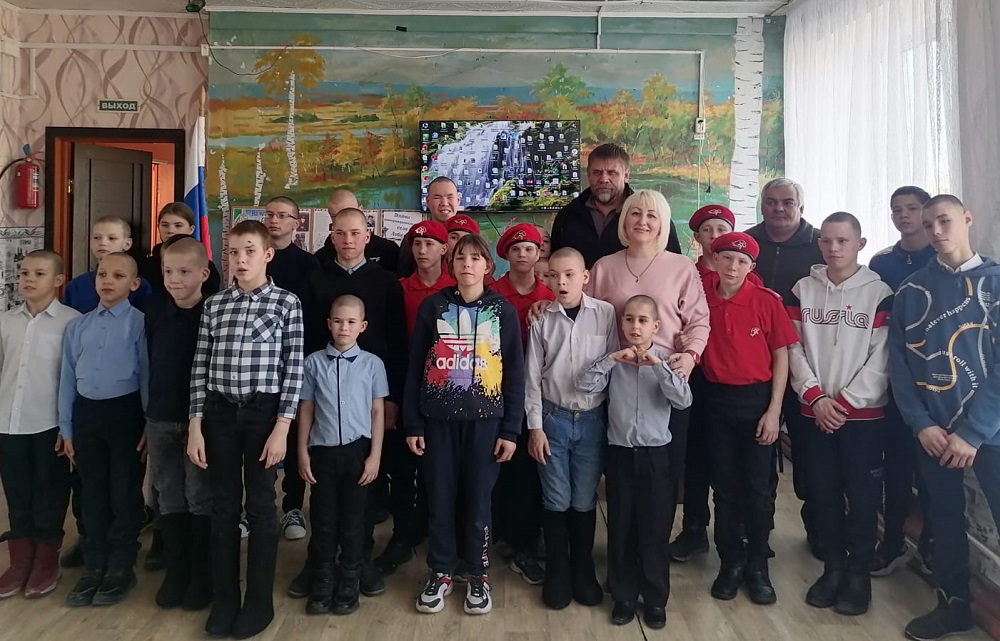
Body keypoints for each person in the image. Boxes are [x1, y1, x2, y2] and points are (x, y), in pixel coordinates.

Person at [186, 219, 304, 639]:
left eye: (250, 251)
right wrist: (196, 424)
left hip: (263, 415)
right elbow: (200, 366)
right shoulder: (215, 305)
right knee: (223, 506)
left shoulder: (287, 303)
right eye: (234, 252)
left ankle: (258, 601)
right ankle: (225, 599)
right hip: (218, 413)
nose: (241, 259)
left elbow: (293, 369)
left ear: (267, 254)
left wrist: (282, 427)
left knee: (260, 506)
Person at [890, 195, 1000, 641]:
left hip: (990, 434)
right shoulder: (912, 290)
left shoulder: (995, 283)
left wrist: (972, 433)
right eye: (928, 224)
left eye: (945, 221)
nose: (936, 231)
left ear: (967, 219)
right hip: (934, 433)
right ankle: (954, 602)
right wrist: (921, 423)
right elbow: (900, 363)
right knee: (945, 518)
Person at [405, 234, 524, 616]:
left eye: (476, 258)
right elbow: (415, 366)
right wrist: (413, 423)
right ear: (451, 264)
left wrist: (510, 430)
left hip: (486, 424)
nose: (467, 264)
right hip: (437, 422)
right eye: (461, 257)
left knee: (478, 502)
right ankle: (440, 571)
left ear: (488, 266)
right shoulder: (434, 307)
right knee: (439, 498)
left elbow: (515, 374)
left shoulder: (502, 311)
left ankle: (477, 572)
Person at [293, 207, 407, 599]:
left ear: (368, 235)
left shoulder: (386, 281)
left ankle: (359, 564)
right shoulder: (315, 279)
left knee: (364, 494)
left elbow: (397, 340)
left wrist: (391, 399)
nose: (348, 240)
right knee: (324, 503)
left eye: (355, 233)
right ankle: (318, 566)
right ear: (331, 235)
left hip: (369, 398)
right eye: (340, 233)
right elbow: (307, 339)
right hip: (324, 398)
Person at [787, 212, 892, 616]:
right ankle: (832, 567)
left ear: (860, 244)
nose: (833, 248)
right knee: (823, 493)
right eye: (827, 240)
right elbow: (793, 348)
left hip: (862, 418)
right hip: (814, 412)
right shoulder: (802, 290)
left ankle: (858, 573)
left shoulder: (879, 293)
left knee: (863, 496)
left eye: (843, 241)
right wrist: (816, 398)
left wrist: (844, 404)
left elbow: (881, 359)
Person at [585, 189, 709, 527]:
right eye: (635, 213)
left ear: (663, 223)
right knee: (621, 474)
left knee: (664, 473)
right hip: (619, 382)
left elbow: (699, 320)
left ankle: (654, 546)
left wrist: (691, 356)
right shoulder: (604, 267)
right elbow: (584, 316)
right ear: (624, 219)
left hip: (666, 380)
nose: (643, 221)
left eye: (652, 215)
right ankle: (622, 546)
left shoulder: (681, 267)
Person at [577, 295, 692, 630]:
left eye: (643, 321)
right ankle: (624, 595)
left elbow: (683, 400)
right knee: (622, 525)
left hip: (656, 456)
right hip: (621, 454)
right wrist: (612, 359)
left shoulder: (667, 361)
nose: (635, 326)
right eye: (629, 319)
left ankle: (655, 598)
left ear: (656, 326)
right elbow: (584, 385)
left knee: (655, 529)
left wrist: (658, 367)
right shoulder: (614, 360)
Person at [699, 233, 797, 606]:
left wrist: (774, 411)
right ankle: (731, 562)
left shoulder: (766, 301)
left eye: (742, 262)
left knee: (757, 487)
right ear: (714, 259)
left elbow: (782, 355)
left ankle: (758, 563)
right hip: (716, 401)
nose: (733, 267)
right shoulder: (702, 297)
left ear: (752, 267)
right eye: (726, 258)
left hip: (757, 401)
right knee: (724, 486)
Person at [525, 247, 617, 609]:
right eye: (553, 275)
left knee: (583, 498)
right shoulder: (541, 319)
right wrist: (535, 428)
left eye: (569, 275)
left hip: (593, 420)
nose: (561, 282)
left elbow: (613, 364)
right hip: (553, 419)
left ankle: (583, 570)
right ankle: (558, 572)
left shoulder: (605, 314)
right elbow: (532, 378)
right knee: (556, 497)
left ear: (585, 277)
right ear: (546, 278)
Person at [670, 204, 761, 563]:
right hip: (695, 379)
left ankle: (741, 531)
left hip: (733, 385)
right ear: (697, 237)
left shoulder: (749, 280)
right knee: (695, 457)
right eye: (707, 230)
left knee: (734, 464)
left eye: (721, 229)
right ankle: (694, 528)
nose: (714, 236)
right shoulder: (688, 276)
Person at [59, 252, 149, 608]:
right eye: (102, 274)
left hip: (125, 414)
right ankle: (94, 563)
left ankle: (120, 564)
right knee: (91, 491)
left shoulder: (139, 324)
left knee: (123, 491)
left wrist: (147, 422)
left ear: (134, 283)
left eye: (118, 275)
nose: (108, 281)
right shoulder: (78, 327)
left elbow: (147, 377)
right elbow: (67, 378)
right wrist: (67, 428)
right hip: (87, 416)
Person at [744, 178, 825, 555]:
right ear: (762, 206)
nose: (779, 208)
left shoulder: (821, 244)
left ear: (801, 207)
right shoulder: (747, 243)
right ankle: (758, 532)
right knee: (758, 453)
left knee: (810, 454)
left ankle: (817, 528)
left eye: (788, 202)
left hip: (809, 365)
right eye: (771, 202)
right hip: (756, 367)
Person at [298, 294, 387, 616]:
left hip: (357, 452)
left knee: (355, 517)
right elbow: (306, 409)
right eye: (337, 321)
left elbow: (377, 412)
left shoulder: (373, 364)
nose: (343, 328)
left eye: (351, 322)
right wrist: (302, 452)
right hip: (322, 452)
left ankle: (351, 574)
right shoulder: (312, 364)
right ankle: (323, 576)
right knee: (323, 517)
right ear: (328, 324)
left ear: (362, 326)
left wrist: (375, 456)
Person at [374, 220, 453, 577]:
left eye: (430, 244)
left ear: (443, 249)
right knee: (403, 466)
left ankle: (440, 535)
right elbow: (391, 343)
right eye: (416, 244)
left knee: (440, 470)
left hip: (447, 389)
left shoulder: (457, 287)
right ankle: (403, 535)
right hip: (407, 385)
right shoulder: (398, 288)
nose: (422, 250)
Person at [0, 250, 79, 600]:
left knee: (50, 492)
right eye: (24, 273)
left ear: (58, 280)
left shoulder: (72, 323)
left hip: (50, 424)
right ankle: (20, 561)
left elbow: (74, 379)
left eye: (39, 273)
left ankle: (46, 560)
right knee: (17, 493)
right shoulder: (5, 322)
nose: (29, 279)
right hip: (8, 422)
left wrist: (68, 427)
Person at [868, 186, 936, 576]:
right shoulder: (882, 263)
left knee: (932, 473)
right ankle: (892, 540)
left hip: (937, 382)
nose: (904, 215)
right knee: (894, 466)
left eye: (912, 208)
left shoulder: (942, 258)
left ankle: (932, 547)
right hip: (893, 378)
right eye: (897, 209)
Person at [143, 236, 213, 611]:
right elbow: (146, 364)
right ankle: (177, 571)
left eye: (184, 272)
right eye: (168, 271)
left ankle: (202, 575)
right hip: (160, 417)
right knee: (167, 494)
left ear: (203, 274)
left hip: (198, 422)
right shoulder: (154, 312)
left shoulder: (214, 313)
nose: (174, 279)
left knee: (199, 494)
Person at [491, 223, 554, 586]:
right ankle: (497, 534)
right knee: (498, 469)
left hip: (537, 398)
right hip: (496, 394)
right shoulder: (492, 293)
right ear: (506, 255)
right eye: (516, 249)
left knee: (530, 474)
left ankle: (525, 544)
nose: (523, 255)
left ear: (538, 253)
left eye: (529, 249)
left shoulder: (550, 295)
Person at [262, 195, 320, 541]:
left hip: (296, 358)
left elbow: (311, 316)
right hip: (259, 362)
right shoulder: (255, 256)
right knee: (261, 434)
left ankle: (293, 505)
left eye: (283, 215)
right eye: (270, 215)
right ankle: (258, 509)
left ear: (296, 223)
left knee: (296, 431)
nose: (275, 220)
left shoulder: (308, 264)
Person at [550, 143, 680, 269]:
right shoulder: (567, 216)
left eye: (612, 173)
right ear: (588, 175)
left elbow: (674, 267)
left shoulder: (654, 218)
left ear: (626, 176)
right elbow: (553, 267)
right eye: (597, 172)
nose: (604, 179)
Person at [138, 202, 222, 297]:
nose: (170, 230)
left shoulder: (205, 265)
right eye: (165, 225)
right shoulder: (147, 265)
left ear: (191, 229)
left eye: (178, 225)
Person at [315, 189, 400, 272]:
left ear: (360, 210)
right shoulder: (321, 258)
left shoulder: (388, 250)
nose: (342, 219)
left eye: (348, 213)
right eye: (334, 216)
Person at [398, 177, 460, 277]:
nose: (444, 203)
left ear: (458, 201)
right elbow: (404, 275)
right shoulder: (413, 237)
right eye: (437, 197)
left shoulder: (469, 238)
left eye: (450, 197)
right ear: (427, 201)